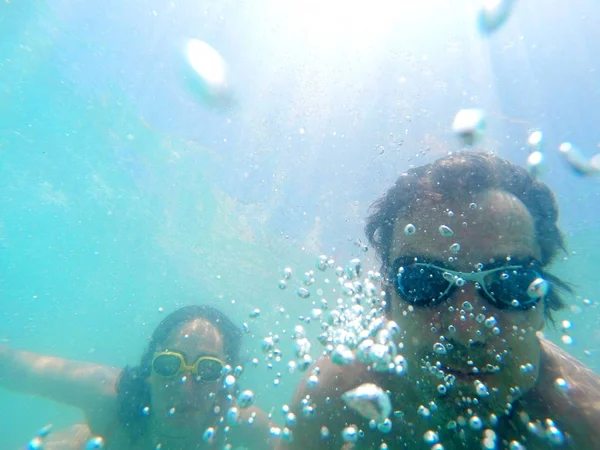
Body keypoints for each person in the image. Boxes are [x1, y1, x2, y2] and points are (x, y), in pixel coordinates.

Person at [280, 152, 600, 449]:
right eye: (423, 282)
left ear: (542, 302)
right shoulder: (334, 398)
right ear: (388, 301)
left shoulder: (587, 423)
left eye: (510, 283)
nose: (467, 330)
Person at [1, 305, 273, 449]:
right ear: (148, 373)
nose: (185, 388)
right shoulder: (111, 398)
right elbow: (15, 368)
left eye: (208, 370)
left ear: (228, 380)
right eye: (168, 365)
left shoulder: (239, 423)